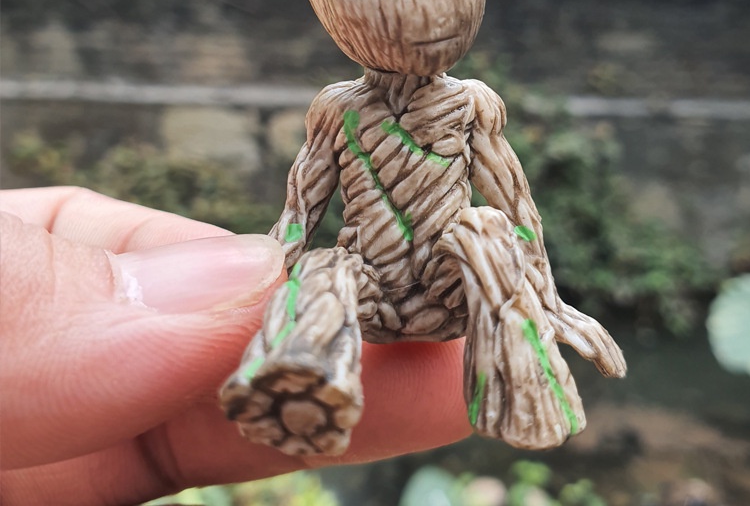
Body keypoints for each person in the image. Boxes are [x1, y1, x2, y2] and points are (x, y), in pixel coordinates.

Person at [0, 186, 470, 505]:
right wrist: (273, 277)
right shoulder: (339, 110)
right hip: (367, 281)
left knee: (486, 230)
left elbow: (507, 195)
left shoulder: (472, 107)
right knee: (323, 267)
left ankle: (510, 380)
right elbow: (300, 212)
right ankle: (298, 382)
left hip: (445, 283)